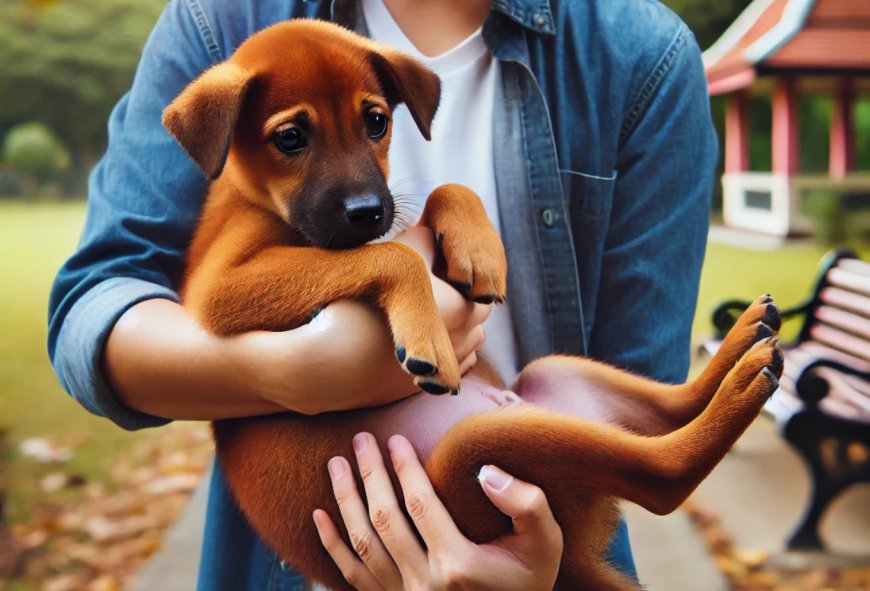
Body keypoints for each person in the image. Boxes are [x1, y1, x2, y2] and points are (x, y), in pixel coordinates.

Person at [47, 0, 717, 588]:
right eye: (291, 138)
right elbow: (95, 304)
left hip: (522, 518)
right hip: (314, 537)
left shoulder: (642, 57)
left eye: (375, 124)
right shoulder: (220, 21)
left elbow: (632, 391)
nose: (363, 190)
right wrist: (295, 374)